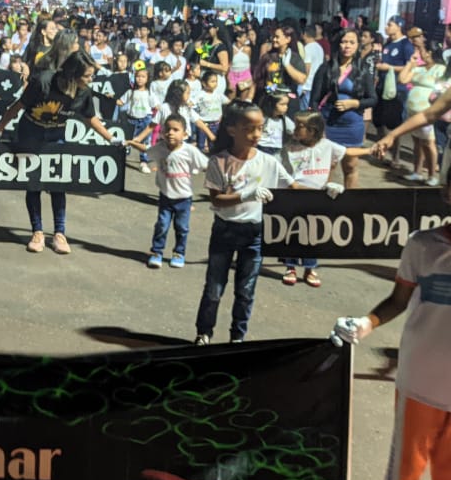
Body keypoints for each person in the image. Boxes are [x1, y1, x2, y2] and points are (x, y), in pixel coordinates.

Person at [331, 173, 451, 480]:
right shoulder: (423, 245)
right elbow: (399, 300)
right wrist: (364, 324)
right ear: (448, 192)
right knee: (407, 471)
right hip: (421, 382)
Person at [0, 50, 120, 254]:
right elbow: (18, 106)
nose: (91, 79)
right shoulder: (43, 82)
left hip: (56, 136)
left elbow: (90, 118)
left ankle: (59, 233)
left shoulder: (84, 91)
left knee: (58, 183)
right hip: (30, 132)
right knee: (33, 183)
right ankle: (37, 231)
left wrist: (111, 138)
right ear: (72, 74)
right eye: (87, 75)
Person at [193, 100, 299, 345]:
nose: (256, 134)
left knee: (246, 291)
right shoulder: (218, 161)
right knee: (214, 288)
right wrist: (247, 195)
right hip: (225, 230)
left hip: (255, 233)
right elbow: (217, 200)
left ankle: (237, 337)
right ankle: (204, 333)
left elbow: (294, 188)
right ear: (232, 129)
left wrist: (328, 191)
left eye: (260, 128)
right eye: (249, 129)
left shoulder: (269, 161)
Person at [279, 110, 370, 288]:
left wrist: (370, 150)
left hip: (318, 196)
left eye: (300, 126)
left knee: (314, 232)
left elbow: (347, 151)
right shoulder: (289, 147)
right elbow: (281, 170)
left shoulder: (327, 145)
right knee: (292, 230)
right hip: (294, 195)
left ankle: (309, 267)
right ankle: (290, 266)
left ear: (313, 130)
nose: (295, 129)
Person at [126, 114, 209, 269]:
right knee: (162, 225)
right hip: (165, 196)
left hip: (184, 199)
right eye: (167, 129)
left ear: (185, 134)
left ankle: (179, 253)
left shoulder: (190, 151)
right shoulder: (160, 148)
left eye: (176, 130)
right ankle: (156, 252)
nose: (171, 133)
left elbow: (207, 165)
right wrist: (133, 143)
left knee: (182, 228)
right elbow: (147, 150)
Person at [310, 28, 377, 188]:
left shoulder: (362, 71)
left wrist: (355, 104)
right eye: (344, 41)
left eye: (351, 42)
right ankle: (325, 207)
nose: (347, 46)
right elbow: (314, 100)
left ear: (357, 45)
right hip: (328, 125)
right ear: (337, 44)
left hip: (352, 126)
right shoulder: (325, 69)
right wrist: (320, 127)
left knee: (351, 167)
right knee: (327, 167)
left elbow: (373, 99)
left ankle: (350, 206)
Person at [396, 40, 448, 186]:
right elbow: (403, 78)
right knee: (417, 142)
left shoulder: (440, 69)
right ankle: (416, 172)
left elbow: (442, 88)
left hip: (428, 112)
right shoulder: (419, 68)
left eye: (422, 50)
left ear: (430, 52)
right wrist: (410, 64)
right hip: (413, 112)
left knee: (429, 143)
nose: (419, 53)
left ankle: (432, 175)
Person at [372, 16, 415, 169]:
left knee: (395, 123)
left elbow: (410, 67)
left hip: (397, 90)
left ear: (399, 26)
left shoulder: (406, 45)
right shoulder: (388, 44)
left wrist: (388, 67)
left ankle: (395, 158)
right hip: (382, 86)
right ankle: (381, 152)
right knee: (378, 119)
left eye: (390, 24)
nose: (386, 27)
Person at [116, 62, 157, 174]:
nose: (140, 79)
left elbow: (156, 106)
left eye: (143, 77)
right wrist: (110, 98)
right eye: (138, 76)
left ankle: (143, 162)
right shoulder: (130, 92)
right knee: (128, 139)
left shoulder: (150, 94)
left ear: (148, 79)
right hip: (131, 119)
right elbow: (120, 101)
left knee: (143, 142)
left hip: (146, 120)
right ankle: (121, 158)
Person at [193, 69, 227, 153]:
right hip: (203, 123)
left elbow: (227, 102)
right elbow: (192, 102)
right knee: (200, 144)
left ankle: (212, 159)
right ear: (204, 83)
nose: (215, 84)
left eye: (216, 81)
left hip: (215, 123)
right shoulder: (200, 95)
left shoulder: (218, 94)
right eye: (212, 81)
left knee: (213, 144)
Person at [257, 91, 293, 160]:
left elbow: (293, 130)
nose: (286, 107)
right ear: (272, 104)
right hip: (262, 148)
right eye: (282, 104)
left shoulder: (284, 119)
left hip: (277, 150)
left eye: (286, 104)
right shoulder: (262, 118)